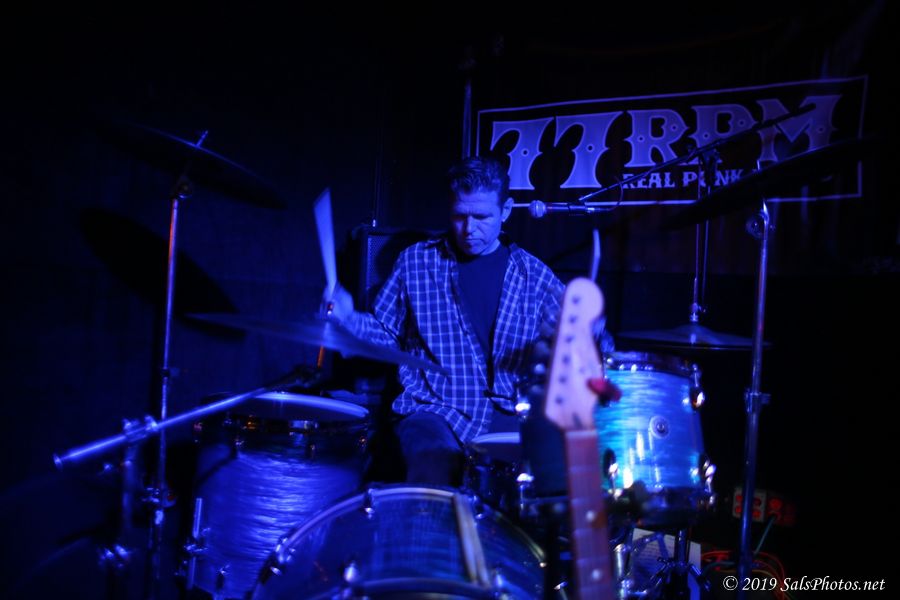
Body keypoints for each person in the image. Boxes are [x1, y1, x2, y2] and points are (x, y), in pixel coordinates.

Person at [329, 156, 565, 486]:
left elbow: (576, 343)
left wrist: (588, 334)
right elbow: (387, 334)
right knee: (434, 463)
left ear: (506, 210)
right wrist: (347, 318)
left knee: (556, 474)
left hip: (510, 413)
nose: (469, 229)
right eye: (459, 216)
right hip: (434, 410)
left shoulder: (535, 276)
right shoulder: (416, 262)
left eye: (481, 217)